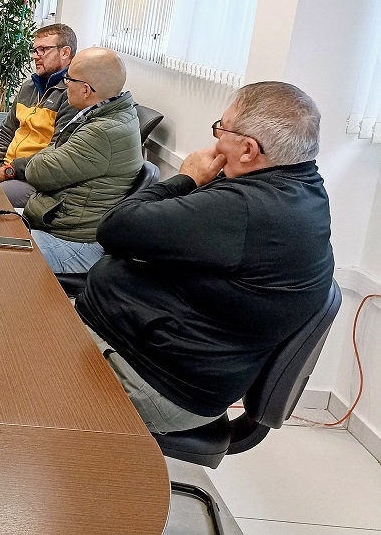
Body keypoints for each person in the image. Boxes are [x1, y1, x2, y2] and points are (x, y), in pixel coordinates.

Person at [77, 81, 333, 434]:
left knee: (8, 365)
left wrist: (185, 178)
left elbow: (115, 228)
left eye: (221, 128)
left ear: (247, 149)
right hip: (154, 358)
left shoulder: (246, 210)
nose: (215, 140)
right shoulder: (299, 187)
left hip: (157, 384)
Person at [21, 47, 142, 273]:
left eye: (69, 78)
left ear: (85, 89)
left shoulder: (103, 132)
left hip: (75, 243)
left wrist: (50, 151)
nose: (65, 83)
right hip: (64, 226)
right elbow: (54, 149)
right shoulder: (112, 113)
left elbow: (36, 172)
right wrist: (53, 150)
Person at [0, 23, 79, 207]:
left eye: (43, 50)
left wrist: (6, 172)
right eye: (34, 50)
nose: (35, 56)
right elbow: (5, 133)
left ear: (65, 52)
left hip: (34, 179)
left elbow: (56, 153)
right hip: (7, 168)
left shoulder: (73, 95)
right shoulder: (29, 87)